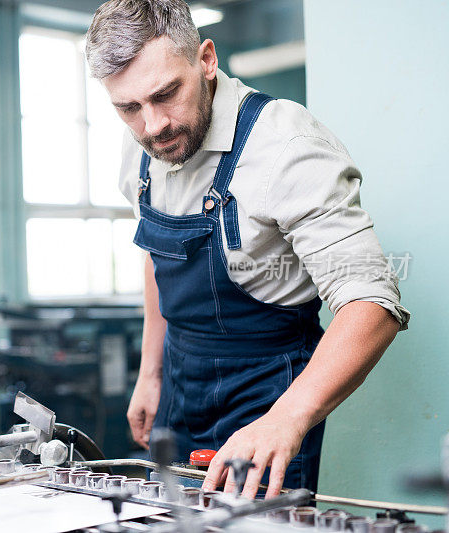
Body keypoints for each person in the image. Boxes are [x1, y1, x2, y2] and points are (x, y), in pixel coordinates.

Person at [85, 0, 409, 499]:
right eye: (128, 108)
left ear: (206, 60)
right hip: (177, 379)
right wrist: (150, 374)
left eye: (166, 94)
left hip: (267, 387)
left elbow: (373, 303)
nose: (153, 126)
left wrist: (285, 419)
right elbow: (157, 254)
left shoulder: (286, 145)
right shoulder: (144, 148)